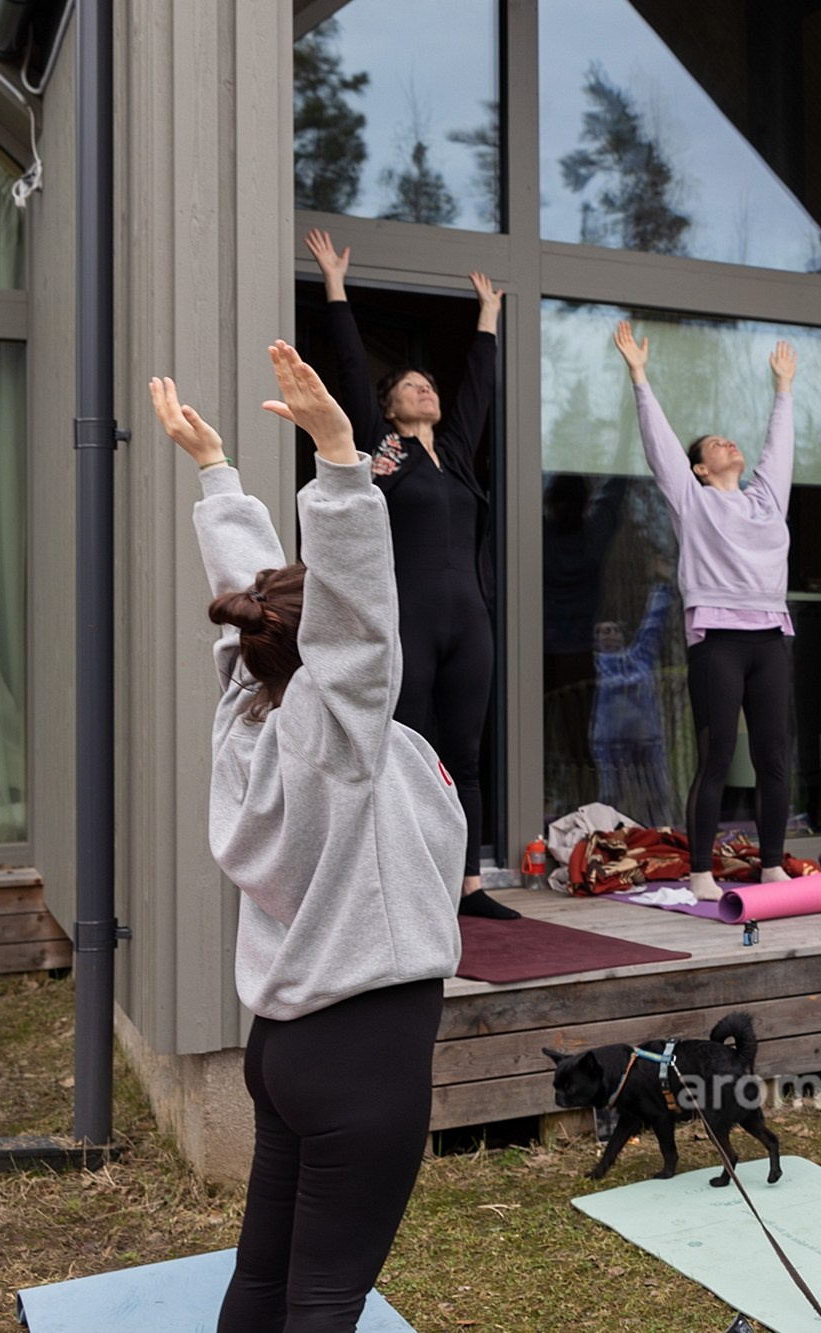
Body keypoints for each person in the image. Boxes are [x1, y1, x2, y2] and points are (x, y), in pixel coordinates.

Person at [152, 346, 463, 1332]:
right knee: (328, 1296)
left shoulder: (244, 715)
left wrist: (218, 480)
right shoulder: (335, 739)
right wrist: (337, 459)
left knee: (266, 1274)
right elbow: (359, 623)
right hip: (362, 1047)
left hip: (284, 1045)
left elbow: (249, 607)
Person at [303, 228, 515, 919]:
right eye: (411, 386)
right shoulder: (383, 450)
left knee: (468, 752)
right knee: (411, 746)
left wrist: (488, 318)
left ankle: (469, 884)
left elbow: (479, 389)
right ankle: (405, 873)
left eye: (430, 386)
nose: (426, 390)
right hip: (412, 619)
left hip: (470, 621)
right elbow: (348, 362)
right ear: (391, 406)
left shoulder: (454, 455)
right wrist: (335, 285)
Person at [613, 320, 797, 901]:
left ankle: (770, 865)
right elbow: (661, 446)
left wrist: (783, 390)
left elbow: (779, 448)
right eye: (716, 444)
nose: (729, 445)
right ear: (698, 468)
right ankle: (699, 872)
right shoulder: (691, 502)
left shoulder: (767, 499)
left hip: (770, 638)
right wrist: (640, 378)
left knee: (773, 755)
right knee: (717, 755)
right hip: (718, 639)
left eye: (729, 440)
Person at [590, 579, 676, 827]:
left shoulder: (638, 658)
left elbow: (652, 627)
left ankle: (662, 838)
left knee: (657, 795)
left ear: (622, 635)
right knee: (610, 797)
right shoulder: (596, 662)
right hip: (609, 742)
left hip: (646, 738)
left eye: (613, 629)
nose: (609, 634)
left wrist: (662, 587)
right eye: (602, 631)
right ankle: (606, 840)